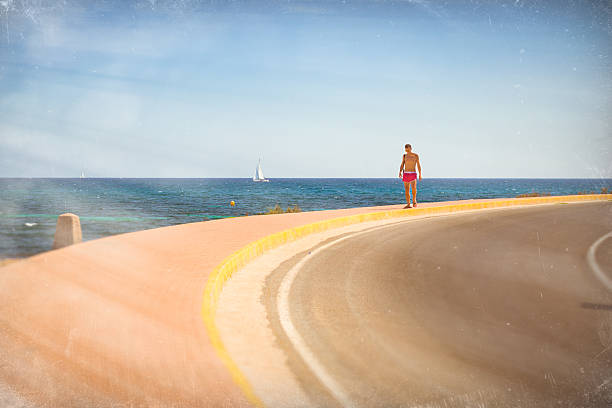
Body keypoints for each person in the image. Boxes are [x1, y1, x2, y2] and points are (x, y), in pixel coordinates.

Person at [398, 144, 422, 208]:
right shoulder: (404, 156)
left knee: (414, 189)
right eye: (405, 148)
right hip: (406, 173)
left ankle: (414, 201)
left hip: (413, 173)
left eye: (407, 148)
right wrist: (400, 172)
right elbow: (402, 164)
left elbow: (418, 165)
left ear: (411, 148)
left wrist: (420, 174)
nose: (406, 150)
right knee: (407, 190)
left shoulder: (415, 155)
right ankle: (408, 204)